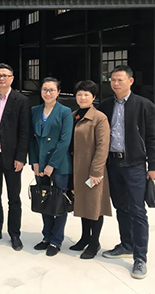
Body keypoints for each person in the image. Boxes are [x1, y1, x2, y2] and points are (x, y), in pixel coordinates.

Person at [98, 65, 155, 279]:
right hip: (113, 164)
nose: (115, 83)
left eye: (120, 80)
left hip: (134, 164)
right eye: (113, 80)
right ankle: (126, 244)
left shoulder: (145, 106)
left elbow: (153, 137)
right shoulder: (106, 105)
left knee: (137, 210)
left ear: (130, 81)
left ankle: (140, 257)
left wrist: (154, 165)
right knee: (121, 207)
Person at [0, 63, 30, 251]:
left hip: (12, 157)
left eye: (5, 75)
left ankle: (14, 234)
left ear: (12, 78)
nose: (2, 78)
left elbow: (24, 131)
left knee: (14, 198)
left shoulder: (21, 100)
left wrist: (21, 157)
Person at [29, 77, 73, 257]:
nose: (48, 93)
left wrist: (51, 165)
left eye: (51, 90)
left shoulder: (65, 112)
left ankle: (56, 240)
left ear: (58, 92)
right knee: (44, 199)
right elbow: (31, 138)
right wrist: (35, 161)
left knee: (59, 202)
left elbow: (65, 141)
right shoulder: (34, 110)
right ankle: (46, 236)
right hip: (40, 163)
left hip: (59, 164)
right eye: (45, 90)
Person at [69, 80, 111, 259]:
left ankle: (94, 242)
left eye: (86, 94)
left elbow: (103, 146)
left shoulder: (99, 118)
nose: (82, 97)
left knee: (94, 206)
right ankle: (85, 237)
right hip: (76, 168)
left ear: (93, 97)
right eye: (79, 94)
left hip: (92, 169)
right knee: (82, 203)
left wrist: (96, 171)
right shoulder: (73, 115)